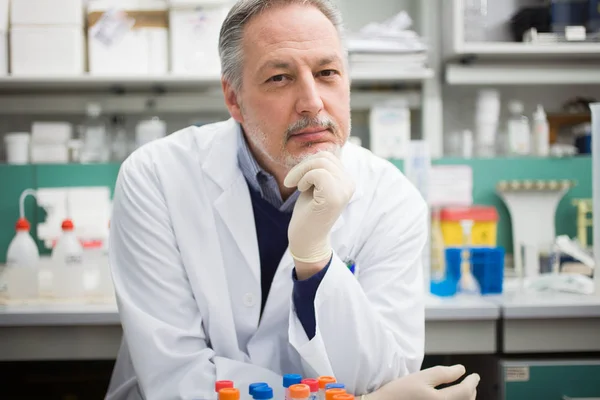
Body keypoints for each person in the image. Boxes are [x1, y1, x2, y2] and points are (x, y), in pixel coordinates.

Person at [106, 0, 480, 399]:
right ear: (234, 99)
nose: (313, 102)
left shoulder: (392, 199)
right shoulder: (156, 178)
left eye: (327, 73)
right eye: (280, 78)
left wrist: (315, 259)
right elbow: (177, 382)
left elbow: (380, 377)